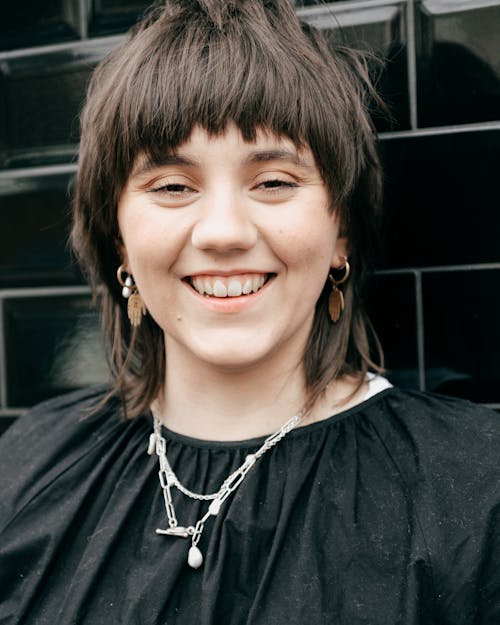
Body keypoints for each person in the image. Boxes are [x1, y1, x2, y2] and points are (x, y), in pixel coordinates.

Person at [1, 1, 500, 623]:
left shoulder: (476, 486)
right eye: (173, 186)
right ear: (118, 242)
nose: (223, 232)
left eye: (273, 181)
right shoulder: (27, 465)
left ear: (341, 229)